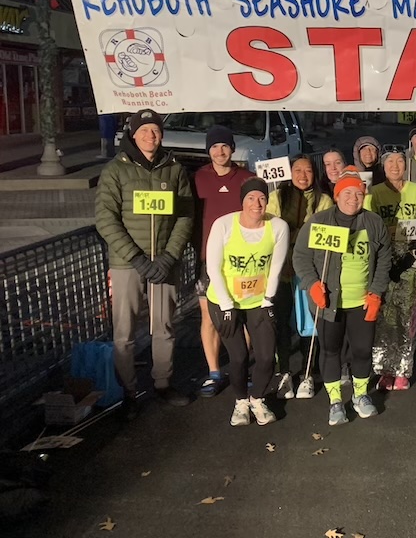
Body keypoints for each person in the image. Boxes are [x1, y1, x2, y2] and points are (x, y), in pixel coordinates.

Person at [95, 108, 194, 419]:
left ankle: (163, 383)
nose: (150, 136)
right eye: (144, 131)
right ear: (133, 135)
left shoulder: (174, 168)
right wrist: (137, 258)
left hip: (164, 262)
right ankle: (128, 391)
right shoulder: (116, 170)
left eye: (155, 130)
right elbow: (105, 219)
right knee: (124, 331)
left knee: (164, 326)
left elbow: (185, 215)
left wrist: (168, 256)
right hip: (128, 265)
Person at [293, 169, 392, 426]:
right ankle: (335, 401)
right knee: (330, 350)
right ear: (337, 195)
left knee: (361, 350)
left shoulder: (373, 222)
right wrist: (312, 285)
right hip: (328, 304)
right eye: (347, 193)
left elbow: (383, 260)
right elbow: (300, 257)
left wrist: (376, 293)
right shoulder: (318, 222)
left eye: (358, 193)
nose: (353, 198)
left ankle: (360, 395)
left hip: (361, 301)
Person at [205, 177, 288, 426]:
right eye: (251, 198)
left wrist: (268, 300)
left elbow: (276, 266)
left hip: (258, 300)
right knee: (239, 356)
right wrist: (227, 307)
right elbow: (213, 268)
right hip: (224, 299)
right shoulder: (223, 225)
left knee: (265, 356)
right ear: (242, 201)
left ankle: (257, 398)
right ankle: (241, 401)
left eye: (262, 198)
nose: (257, 203)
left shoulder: (278, 226)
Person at [192, 125, 255, 398]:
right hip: (207, 258)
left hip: (242, 259)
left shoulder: (247, 177)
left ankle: (241, 367)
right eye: (215, 147)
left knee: (243, 315)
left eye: (225, 146)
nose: (220, 151)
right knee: (209, 316)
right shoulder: (198, 178)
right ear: (209, 151)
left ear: (232, 149)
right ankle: (214, 371)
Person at [266, 154, 334, 399]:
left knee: (310, 324)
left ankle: (307, 373)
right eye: (297, 170)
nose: (303, 176)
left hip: (309, 271)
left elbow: (322, 234)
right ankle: (284, 371)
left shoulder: (324, 199)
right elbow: (271, 230)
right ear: (290, 172)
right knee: (281, 322)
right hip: (281, 271)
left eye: (308, 171)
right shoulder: (276, 196)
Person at [368, 148, 416, 390]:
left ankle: (403, 368)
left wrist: (408, 258)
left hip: (411, 260)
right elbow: (370, 228)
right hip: (384, 259)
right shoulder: (375, 192)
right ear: (383, 166)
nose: (395, 166)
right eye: (390, 162)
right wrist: (386, 260)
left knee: (407, 316)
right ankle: (384, 368)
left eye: (400, 161)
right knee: (384, 318)